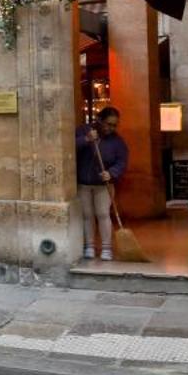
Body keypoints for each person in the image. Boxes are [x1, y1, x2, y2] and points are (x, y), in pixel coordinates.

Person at [75, 106, 127, 261]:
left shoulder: (117, 142)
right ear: (99, 120)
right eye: (108, 124)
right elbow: (69, 147)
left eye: (114, 125)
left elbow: (122, 161)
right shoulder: (83, 130)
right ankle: (89, 246)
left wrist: (111, 173)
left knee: (103, 214)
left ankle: (106, 248)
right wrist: (86, 140)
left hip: (104, 185)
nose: (111, 128)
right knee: (87, 215)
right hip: (83, 183)